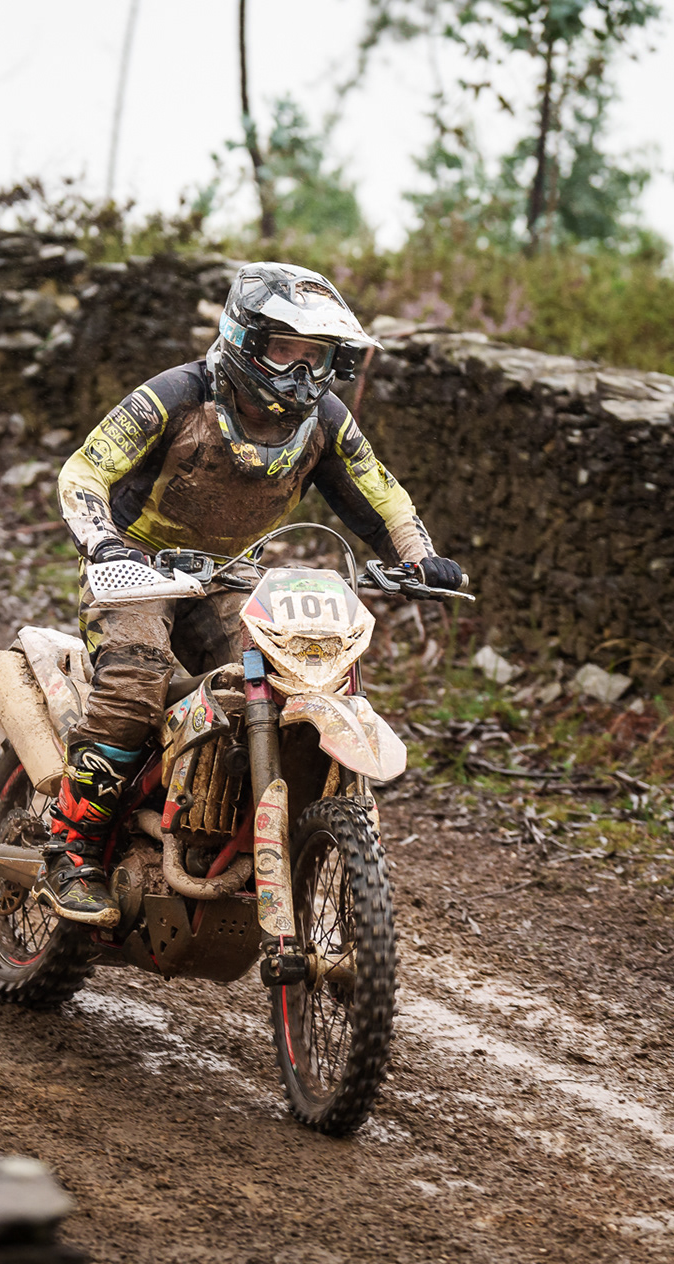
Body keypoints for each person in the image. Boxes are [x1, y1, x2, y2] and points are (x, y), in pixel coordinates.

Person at [34, 261, 465, 927]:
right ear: (244, 339)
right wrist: (104, 543)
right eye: (286, 350)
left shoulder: (326, 419)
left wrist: (419, 558)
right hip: (137, 567)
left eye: (316, 356)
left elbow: (381, 495)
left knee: (295, 678)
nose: (302, 372)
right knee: (135, 684)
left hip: (232, 574)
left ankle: (244, 830)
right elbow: (85, 470)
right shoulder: (176, 396)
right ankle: (72, 848)